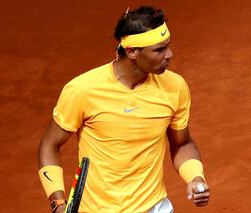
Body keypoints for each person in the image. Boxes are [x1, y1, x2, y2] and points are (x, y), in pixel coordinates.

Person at [38, 6, 210, 213]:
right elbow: (49, 144)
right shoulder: (82, 90)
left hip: (155, 207)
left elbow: (182, 143)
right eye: (159, 49)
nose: (169, 54)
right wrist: (58, 203)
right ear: (131, 51)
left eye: (168, 46)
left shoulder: (175, 86)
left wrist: (195, 176)